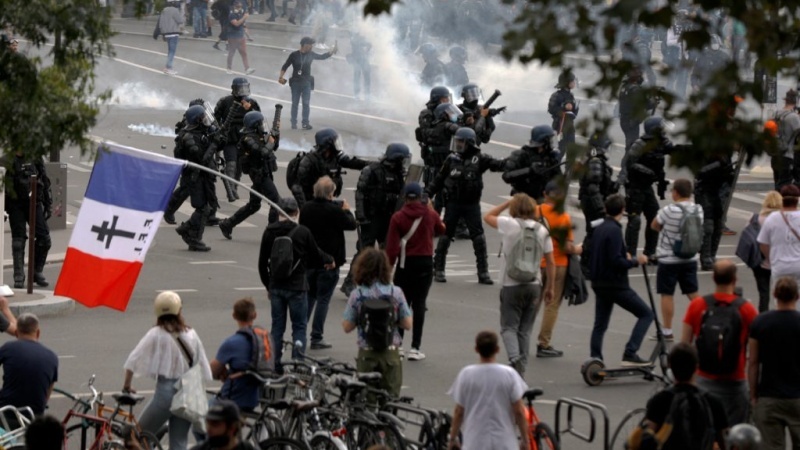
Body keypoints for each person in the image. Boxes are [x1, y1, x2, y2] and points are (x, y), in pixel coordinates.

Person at [123, 292, 212, 450]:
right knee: (179, 443)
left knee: (138, 435)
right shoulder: (191, 334)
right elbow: (201, 365)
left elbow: (133, 359)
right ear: (179, 311)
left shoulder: (156, 334)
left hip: (165, 394)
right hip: (186, 395)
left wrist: (127, 386)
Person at [258, 197, 334, 373]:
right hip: (298, 287)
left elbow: (262, 263)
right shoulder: (302, 232)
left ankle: (275, 365)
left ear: (279, 213)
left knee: (277, 327)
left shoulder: (270, 231)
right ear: (297, 212)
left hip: (277, 287)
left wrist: (268, 286)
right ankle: (298, 363)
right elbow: (316, 255)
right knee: (299, 327)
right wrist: (329, 260)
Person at [484, 194, 555, 376]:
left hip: (511, 283)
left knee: (509, 327)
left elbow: (488, 216)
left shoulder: (510, 225)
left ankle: (514, 358)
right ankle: (520, 373)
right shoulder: (542, 230)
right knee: (524, 330)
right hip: (534, 284)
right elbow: (551, 262)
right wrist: (550, 288)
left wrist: (508, 202)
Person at [680, 260, 758, 426]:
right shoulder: (746, 309)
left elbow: (684, 345)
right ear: (735, 279)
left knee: (705, 429)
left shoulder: (698, 305)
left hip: (704, 378)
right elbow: (755, 354)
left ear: (713, 277)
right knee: (736, 433)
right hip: (734, 380)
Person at [426, 127, 506, 285]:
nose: (458, 145)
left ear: (469, 143)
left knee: (478, 237)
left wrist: (515, 161)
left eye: (461, 142)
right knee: (446, 234)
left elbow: (498, 165)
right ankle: (439, 269)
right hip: (453, 204)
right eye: (457, 142)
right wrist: (426, 193)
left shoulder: (480, 159)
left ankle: (483, 272)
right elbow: (439, 180)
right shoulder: (451, 159)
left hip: (472, 205)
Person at [589, 194, 654, 366]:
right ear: (622, 210)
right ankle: (630, 351)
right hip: (615, 284)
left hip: (599, 282)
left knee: (600, 324)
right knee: (646, 314)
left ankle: (595, 357)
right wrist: (634, 261)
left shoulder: (600, 228)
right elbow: (616, 262)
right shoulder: (615, 230)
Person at [339, 143, 410, 296]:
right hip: (371, 218)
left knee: (386, 252)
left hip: (388, 218)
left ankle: (378, 282)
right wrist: (361, 216)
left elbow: (402, 196)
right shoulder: (371, 170)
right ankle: (350, 282)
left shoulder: (399, 175)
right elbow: (360, 194)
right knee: (364, 252)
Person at [385, 182, 446, 361]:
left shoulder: (398, 217)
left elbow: (392, 248)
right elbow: (442, 229)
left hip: (405, 263)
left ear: (405, 197)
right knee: (419, 304)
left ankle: (398, 345)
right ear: (421, 197)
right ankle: (415, 347)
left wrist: (389, 267)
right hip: (426, 263)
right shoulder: (430, 214)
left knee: (401, 304)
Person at [342, 248, 412, 397]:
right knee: (391, 400)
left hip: (367, 352)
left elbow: (347, 326)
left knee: (366, 402)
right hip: (390, 352)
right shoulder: (396, 292)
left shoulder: (357, 294)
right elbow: (407, 324)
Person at [299, 177, 357, 349]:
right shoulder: (334, 210)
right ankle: (316, 336)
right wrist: (347, 210)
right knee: (323, 299)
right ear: (331, 193)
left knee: (309, 298)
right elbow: (352, 225)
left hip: (310, 260)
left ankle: (300, 333)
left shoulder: (306, 208)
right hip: (330, 261)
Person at [447, 330, 529, 450]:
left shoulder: (466, 374)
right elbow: (519, 411)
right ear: (497, 349)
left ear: (476, 349)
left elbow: (459, 411)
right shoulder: (509, 374)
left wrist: (453, 438)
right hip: (504, 442)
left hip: (475, 442)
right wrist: (525, 439)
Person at [643, 343, 728, 450]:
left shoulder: (660, 400)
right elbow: (724, 441)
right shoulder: (713, 402)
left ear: (670, 367)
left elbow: (647, 437)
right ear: (696, 367)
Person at [749, 276, 800, 450]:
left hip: (769, 396)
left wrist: (754, 395)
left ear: (774, 295)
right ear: (797, 296)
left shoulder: (760, 322)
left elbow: (754, 363)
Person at [650, 178, 701, 341]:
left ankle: (667, 330)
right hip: (690, 257)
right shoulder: (697, 209)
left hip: (668, 258)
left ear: (676, 193)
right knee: (693, 293)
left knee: (667, 294)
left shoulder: (669, 210)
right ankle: (705, 320)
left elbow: (654, 225)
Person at [623, 116, 680, 261]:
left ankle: (650, 252)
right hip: (635, 187)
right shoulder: (640, 144)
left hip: (647, 187)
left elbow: (673, 150)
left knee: (654, 218)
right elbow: (630, 164)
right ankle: (631, 253)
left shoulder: (659, 144)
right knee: (634, 221)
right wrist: (648, 172)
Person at [219, 110, 281, 239]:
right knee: (276, 203)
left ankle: (228, 224)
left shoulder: (257, 135)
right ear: (255, 124)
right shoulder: (248, 138)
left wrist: (275, 135)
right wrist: (271, 141)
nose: (263, 125)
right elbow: (262, 152)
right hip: (260, 176)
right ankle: (272, 233)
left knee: (254, 205)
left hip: (263, 174)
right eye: (260, 123)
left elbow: (272, 148)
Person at [537, 181, 581, 358]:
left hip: (535, 263)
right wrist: (580, 248)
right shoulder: (562, 216)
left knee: (533, 303)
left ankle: (521, 336)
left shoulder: (536, 211)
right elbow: (568, 247)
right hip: (557, 263)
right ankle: (543, 343)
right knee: (551, 305)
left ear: (545, 193)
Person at [4, 152, 52, 288]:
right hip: (15, 205)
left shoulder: (35, 157)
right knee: (18, 242)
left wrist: (48, 204)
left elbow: (44, 180)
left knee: (44, 239)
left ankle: (36, 271)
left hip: (34, 203)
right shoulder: (6, 161)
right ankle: (18, 275)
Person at [174, 104, 218, 252]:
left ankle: (188, 231)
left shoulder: (200, 133)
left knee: (206, 207)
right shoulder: (189, 138)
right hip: (195, 176)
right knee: (203, 208)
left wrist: (219, 137)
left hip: (203, 176)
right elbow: (202, 159)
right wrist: (214, 143)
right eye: (203, 118)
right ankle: (192, 237)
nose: (206, 120)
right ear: (197, 120)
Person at [208, 298, 264, 413]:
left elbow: (213, 371)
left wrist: (224, 373)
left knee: (200, 423)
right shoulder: (264, 340)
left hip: (233, 397)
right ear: (255, 315)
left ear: (234, 316)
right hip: (254, 398)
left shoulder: (232, 343)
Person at [289, 128, 368, 207]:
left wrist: (372, 165)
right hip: (312, 202)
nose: (337, 144)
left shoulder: (335, 157)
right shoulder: (309, 161)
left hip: (327, 199)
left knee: (344, 206)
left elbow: (351, 162)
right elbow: (297, 187)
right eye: (335, 141)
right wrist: (304, 208)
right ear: (328, 144)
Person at [214, 77, 261, 201]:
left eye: (245, 88)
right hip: (229, 138)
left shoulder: (253, 103)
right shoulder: (224, 102)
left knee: (239, 166)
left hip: (245, 139)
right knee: (231, 164)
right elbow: (215, 120)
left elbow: (259, 120)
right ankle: (230, 189)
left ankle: (234, 187)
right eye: (240, 88)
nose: (243, 91)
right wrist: (219, 135)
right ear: (233, 89)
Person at [578, 133, 618, 276]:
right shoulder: (595, 160)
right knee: (594, 232)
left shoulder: (593, 158)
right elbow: (593, 187)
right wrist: (601, 208)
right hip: (593, 203)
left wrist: (613, 185)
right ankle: (586, 264)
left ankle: (590, 262)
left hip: (591, 201)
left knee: (594, 231)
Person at [0, 313, 55, 416]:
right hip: (35, 415)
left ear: (16, 333)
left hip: (7, 412)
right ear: (38, 333)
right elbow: (48, 391)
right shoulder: (52, 356)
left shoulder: (7, 349)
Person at [278, 37, 337, 130]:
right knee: (295, 103)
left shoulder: (311, 54)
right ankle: (293, 122)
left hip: (307, 83)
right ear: (305, 45)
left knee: (306, 103)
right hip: (296, 83)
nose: (312, 46)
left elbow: (322, 57)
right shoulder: (294, 55)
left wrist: (331, 52)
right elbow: (285, 66)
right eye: (310, 45)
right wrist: (280, 77)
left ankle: (305, 123)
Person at [738, 191, 781, 312]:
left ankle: (763, 315)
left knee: (763, 291)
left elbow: (747, 234)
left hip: (759, 259)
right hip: (779, 259)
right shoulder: (781, 219)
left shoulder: (755, 218)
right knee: (782, 290)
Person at [502, 125, 562, 202]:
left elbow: (558, 178)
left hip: (543, 199)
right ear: (544, 141)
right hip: (523, 199)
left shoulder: (550, 157)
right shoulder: (521, 155)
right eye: (550, 139)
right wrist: (529, 170)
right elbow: (506, 176)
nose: (552, 142)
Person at [421, 102, 461, 213]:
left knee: (434, 195)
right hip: (444, 168)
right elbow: (462, 132)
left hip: (434, 168)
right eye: (450, 112)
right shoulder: (447, 125)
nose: (453, 114)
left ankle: (431, 221)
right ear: (444, 115)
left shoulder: (434, 127)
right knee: (445, 198)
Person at [757, 184, 800, 286]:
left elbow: (763, 243)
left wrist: (770, 258)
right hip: (798, 264)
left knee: (780, 296)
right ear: (797, 199)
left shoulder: (772, 218)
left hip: (779, 264)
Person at [618, 67, 657, 151]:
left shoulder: (625, 86)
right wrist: (653, 102)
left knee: (629, 144)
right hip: (631, 121)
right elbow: (644, 104)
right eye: (639, 74)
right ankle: (627, 163)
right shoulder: (635, 89)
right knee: (632, 147)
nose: (641, 76)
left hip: (624, 120)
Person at [190, 400, 256, 450]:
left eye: (215, 424)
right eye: (207, 423)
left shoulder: (246, 448)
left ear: (232, 428)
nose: (208, 429)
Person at [772, 89, 800, 190]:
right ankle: (782, 204)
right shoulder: (794, 117)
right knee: (785, 184)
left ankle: (776, 203)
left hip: (775, 155)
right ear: (795, 101)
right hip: (787, 156)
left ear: (785, 100)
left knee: (777, 182)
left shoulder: (776, 114)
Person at [547, 71, 578, 158]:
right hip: (560, 127)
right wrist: (564, 107)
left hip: (570, 127)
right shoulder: (557, 95)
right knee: (560, 150)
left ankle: (569, 171)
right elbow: (551, 109)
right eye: (572, 81)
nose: (574, 83)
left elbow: (573, 111)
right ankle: (554, 169)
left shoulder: (571, 95)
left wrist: (573, 111)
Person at [226, 0, 254, 75]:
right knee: (231, 53)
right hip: (233, 37)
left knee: (244, 53)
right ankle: (229, 68)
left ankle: (247, 68)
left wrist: (249, 36)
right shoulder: (232, 15)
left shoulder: (241, 15)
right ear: (234, 7)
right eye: (238, 7)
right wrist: (244, 17)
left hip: (241, 36)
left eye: (240, 7)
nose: (240, 8)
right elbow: (237, 24)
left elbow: (244, 26)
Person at [157, 0, 184, 75]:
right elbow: (180, 21)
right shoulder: (175, 10)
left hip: (166, 33)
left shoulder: (163, 10)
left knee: (170, 51)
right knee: (172, 51)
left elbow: (160, 23)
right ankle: (169, 67)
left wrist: (163, 34)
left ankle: (167, 67)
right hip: (174, 33)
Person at [347, 31, 372, 101]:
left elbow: (370, 45)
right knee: (357, 75)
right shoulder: (355, 39)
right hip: (356, 59)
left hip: (363, 59)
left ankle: (367, 94)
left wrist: (366, 50)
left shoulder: (363, 38)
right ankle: (357, 94)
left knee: (366, 76)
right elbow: (354, 41)